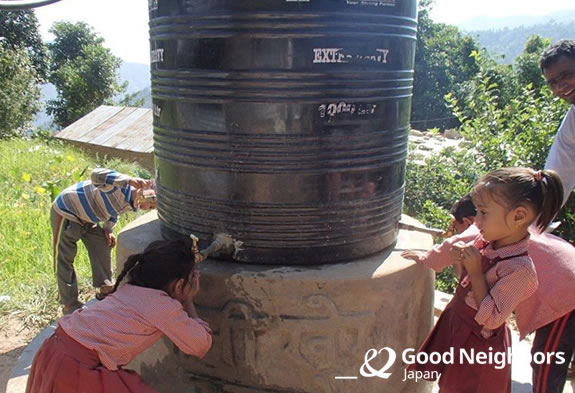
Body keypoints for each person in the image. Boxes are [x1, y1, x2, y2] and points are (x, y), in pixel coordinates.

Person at [402, 167, 563, 393]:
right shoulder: (488, 241)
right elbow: (455, 252)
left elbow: (492, 319)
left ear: (518, 216)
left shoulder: (520, 270)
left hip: (478, 348)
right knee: (448, 385)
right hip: (459, 329)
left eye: (484, 213)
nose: (476, 221)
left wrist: (476, 272)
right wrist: (444, 257)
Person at [25, 238, 213, 393]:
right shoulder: (163, 306)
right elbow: (200, 345)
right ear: (179, 285)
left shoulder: (129, 288)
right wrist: (188, 301)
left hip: (53, 350)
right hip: (76, 366)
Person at [51, 167, 157, 314]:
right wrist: (128, 180)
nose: (145, 206)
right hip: (68, 211)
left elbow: (113, 211)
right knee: (64, 258)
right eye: (149, 200)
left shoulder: (131, 204)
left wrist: (108, 229)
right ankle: (70, 303)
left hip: (88, 218)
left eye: (150, 207)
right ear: (146, 187)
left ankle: (105, 286)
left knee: (102, 243)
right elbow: (96, 175)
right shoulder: (117, 187)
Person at [541, 39, 575, 206]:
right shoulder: (572, 123)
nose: (561, 86)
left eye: (566, 75)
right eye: (553, 83)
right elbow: (557, 178)